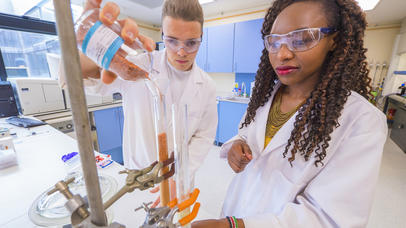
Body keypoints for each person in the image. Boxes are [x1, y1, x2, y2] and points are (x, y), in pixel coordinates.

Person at [192, 0, 387, 227]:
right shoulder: (264, 96)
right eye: (274, 42)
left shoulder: (361, 121)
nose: (282, 54)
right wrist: (237, 145)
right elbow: (246, 133)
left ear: (334, 41)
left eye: (302, 39)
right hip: (236, 210)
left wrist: (239, 226)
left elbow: (329, 218)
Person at [61, 0, 217, 197]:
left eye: (191, 43)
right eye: (172, 40)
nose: (181, 51)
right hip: (138, 180)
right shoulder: (136, 65)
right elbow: (74, 80)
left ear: (201, 38)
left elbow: (203, 136)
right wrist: (87, 44)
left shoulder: (207, 86)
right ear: (162, 34)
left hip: (180, 182)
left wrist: (179, 177)